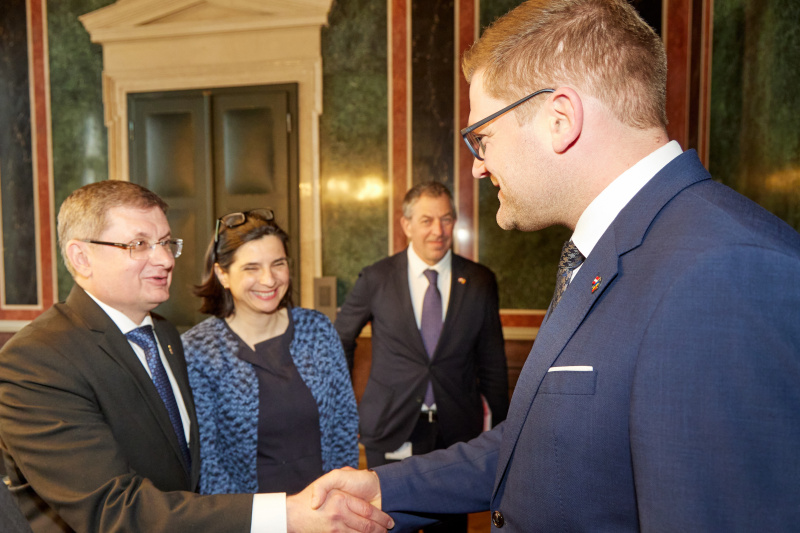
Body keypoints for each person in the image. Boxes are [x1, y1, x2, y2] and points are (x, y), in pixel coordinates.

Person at [310, 0, 800, 531]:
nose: (477, 165)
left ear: (560, 119)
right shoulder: (614, 248)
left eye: (483, 136)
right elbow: (539, 443)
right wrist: (384, 485)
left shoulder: (725, 272)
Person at [0, 180, 392, 533]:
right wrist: (286, 516)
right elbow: (113, 510)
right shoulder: (36, 361)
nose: (166, 260)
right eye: (139, 244)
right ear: (81, 257)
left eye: (167, 242)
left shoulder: (165, 336)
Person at [335, 181, 508, 531]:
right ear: (406, 225)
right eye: (427, 220)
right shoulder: (376, 278)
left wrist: (508, 426)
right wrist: (343, 407)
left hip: (456, 430)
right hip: (391, 423)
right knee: (385, 521)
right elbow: (341, 339)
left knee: (451, 525)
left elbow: (492, 361)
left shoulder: (479, 280)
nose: (438, 231)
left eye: (446, 219)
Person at [181, 209, 359, 496]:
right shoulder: (198, 351)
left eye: (278, 264)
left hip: (327, 510)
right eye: (251, 268)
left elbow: (344, 425)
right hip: (251, 520)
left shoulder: (317, 330)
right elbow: (209, 464)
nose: (269, 279)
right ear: (222, 274)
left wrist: (341, 500)